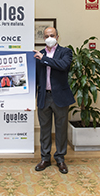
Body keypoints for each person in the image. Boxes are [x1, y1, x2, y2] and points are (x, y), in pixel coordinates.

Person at [33, 27, 75, 174]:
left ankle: (60, 159)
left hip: (60, 97)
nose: (49, 38)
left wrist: (44, 59)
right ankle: (45, 158)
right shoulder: (39, 54)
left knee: (61, 129)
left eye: (52, 35)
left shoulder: (65, 52)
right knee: (44, 129)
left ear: (58, 36)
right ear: (43, 38)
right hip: (44, 96)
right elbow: (35, 78)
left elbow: (63, 66)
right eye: (46, 36)